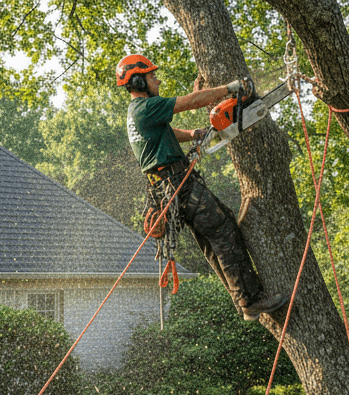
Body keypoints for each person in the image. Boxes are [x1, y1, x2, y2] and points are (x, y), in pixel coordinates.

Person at [117, 54, 289, 322]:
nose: (157, 80)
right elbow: (190, 102)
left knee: (212, 238)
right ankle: (250, 301)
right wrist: (230, 89)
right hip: (177, 185)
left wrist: (195, 134)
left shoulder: (138, 112)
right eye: (152, 76)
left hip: (169, 185)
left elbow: (167, 132)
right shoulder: (146, 107)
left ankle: (241, 299)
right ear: (138, 80)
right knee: (223, 232)